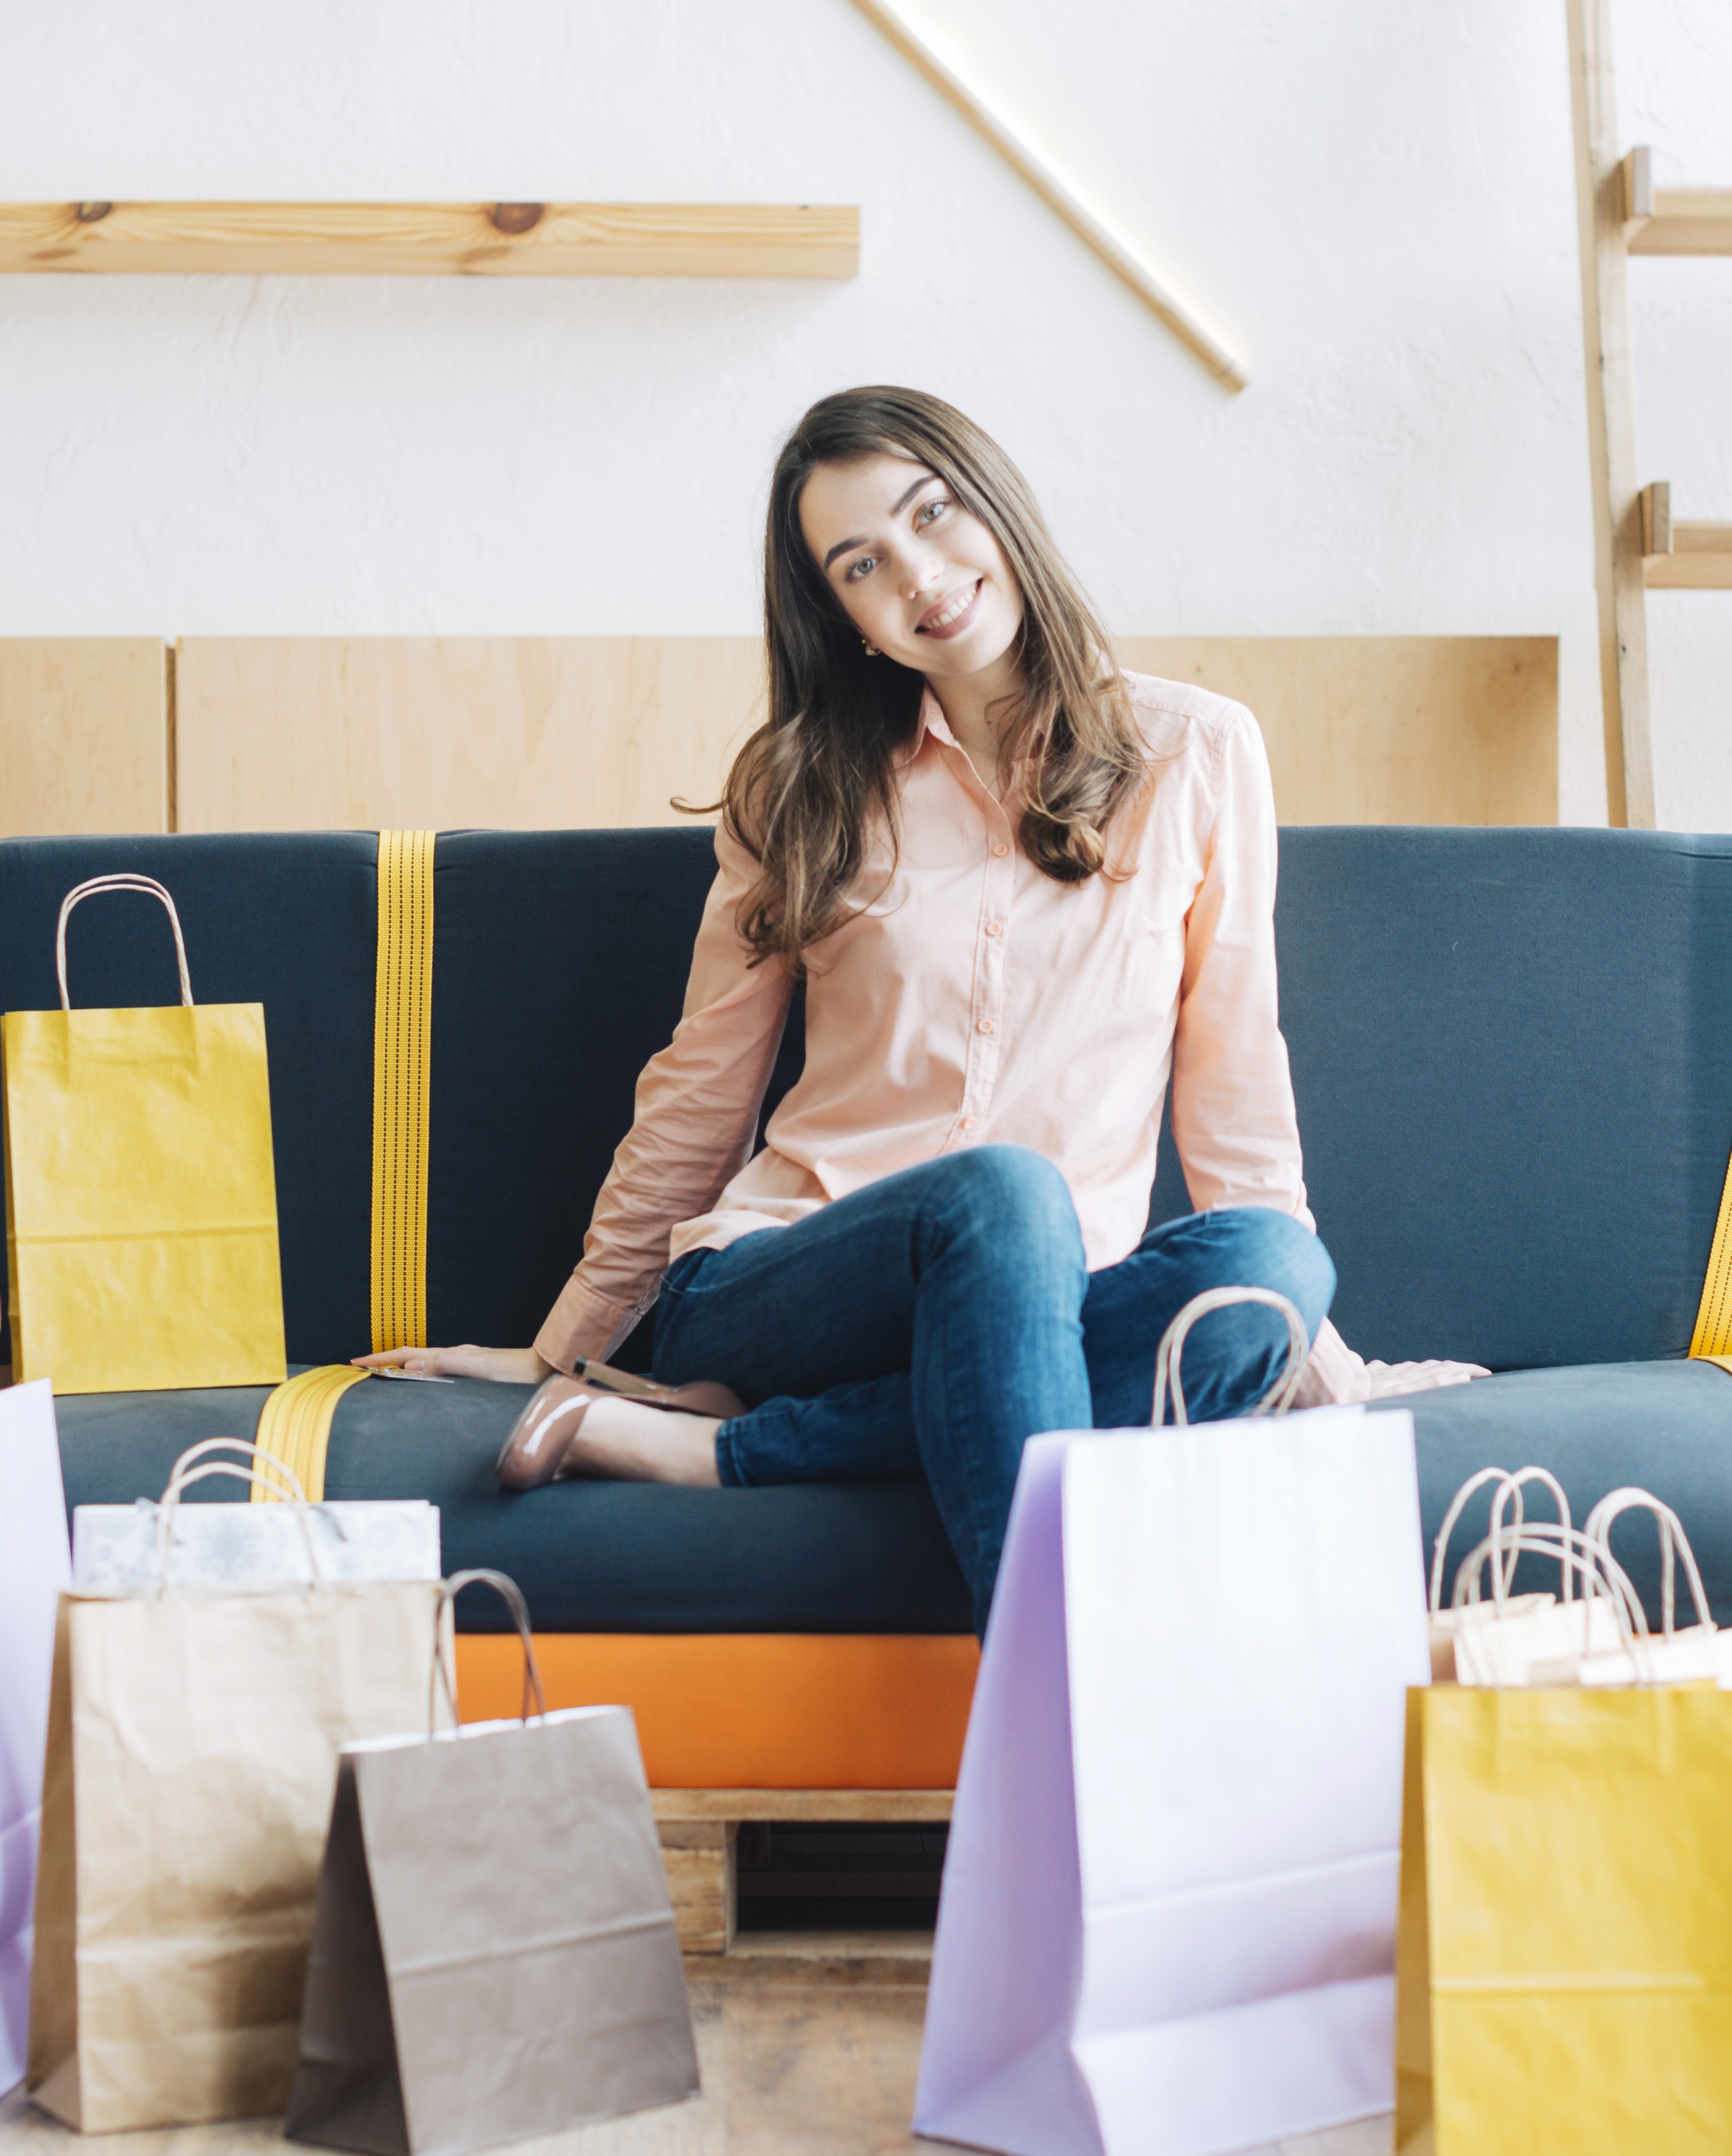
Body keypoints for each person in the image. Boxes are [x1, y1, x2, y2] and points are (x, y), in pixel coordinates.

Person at [362, 385, 1477, 1623]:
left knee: (1265, 1269)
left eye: (931, 515)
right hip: (788, 1282)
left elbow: (1234, 1076)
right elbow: (701, 1085)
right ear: (844, 620)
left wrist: (1320, 1359)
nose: (921, 576)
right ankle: (1064, 1698)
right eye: (861, 566)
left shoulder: (1196, 755)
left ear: (992, 502)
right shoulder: (800, 790)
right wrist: (564, 1347)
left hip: (1040, 1302)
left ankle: (718, 1451)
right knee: (1002, 1192)